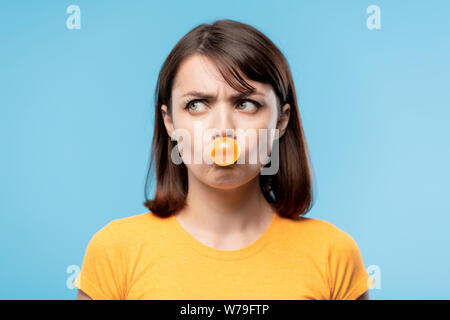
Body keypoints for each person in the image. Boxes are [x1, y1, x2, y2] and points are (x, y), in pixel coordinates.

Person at [74, 19, 375, 300]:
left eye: (246, 104)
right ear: (170, 122)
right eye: (196, 105)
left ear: (281, 121)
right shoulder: (115, 250)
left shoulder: (334, 254)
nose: (223, 129)